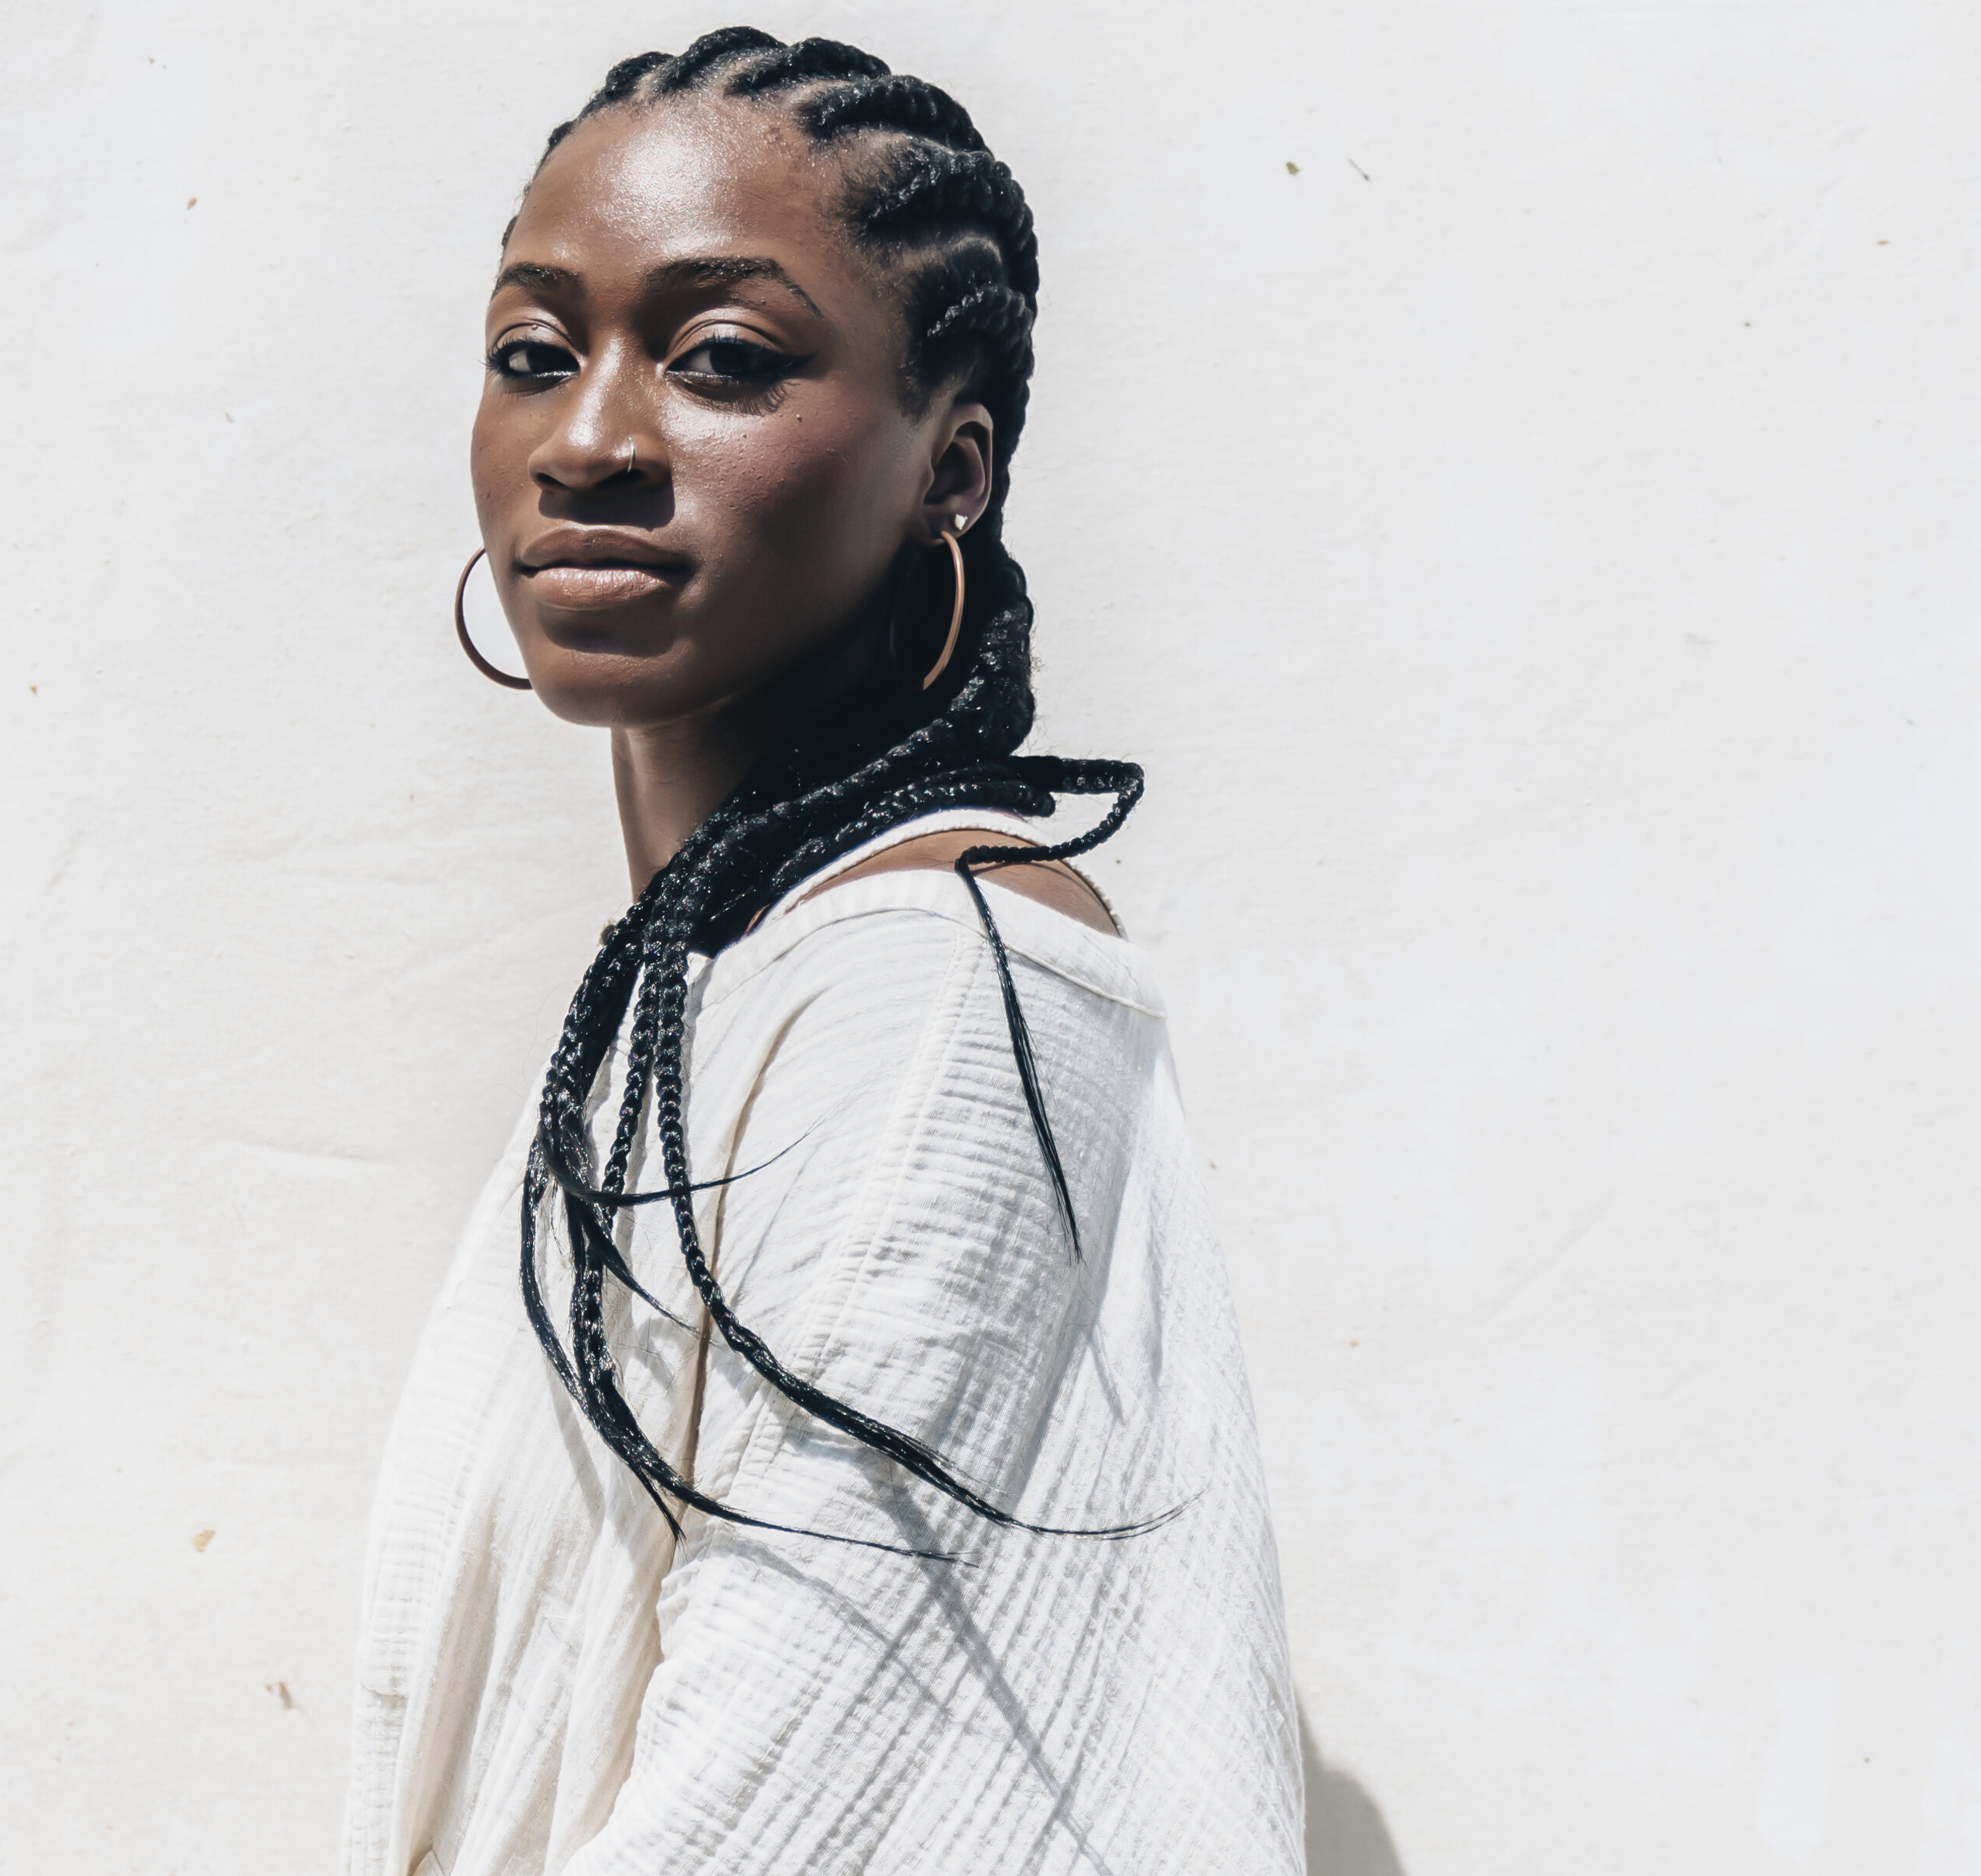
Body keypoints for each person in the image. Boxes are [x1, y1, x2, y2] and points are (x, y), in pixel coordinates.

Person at [345, 29, 1304, 1875]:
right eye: (531, 354)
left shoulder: (936, 986)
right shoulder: (709, 993)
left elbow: (803, 1798)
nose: (593, 439)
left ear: (952, 467)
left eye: (719, 360)